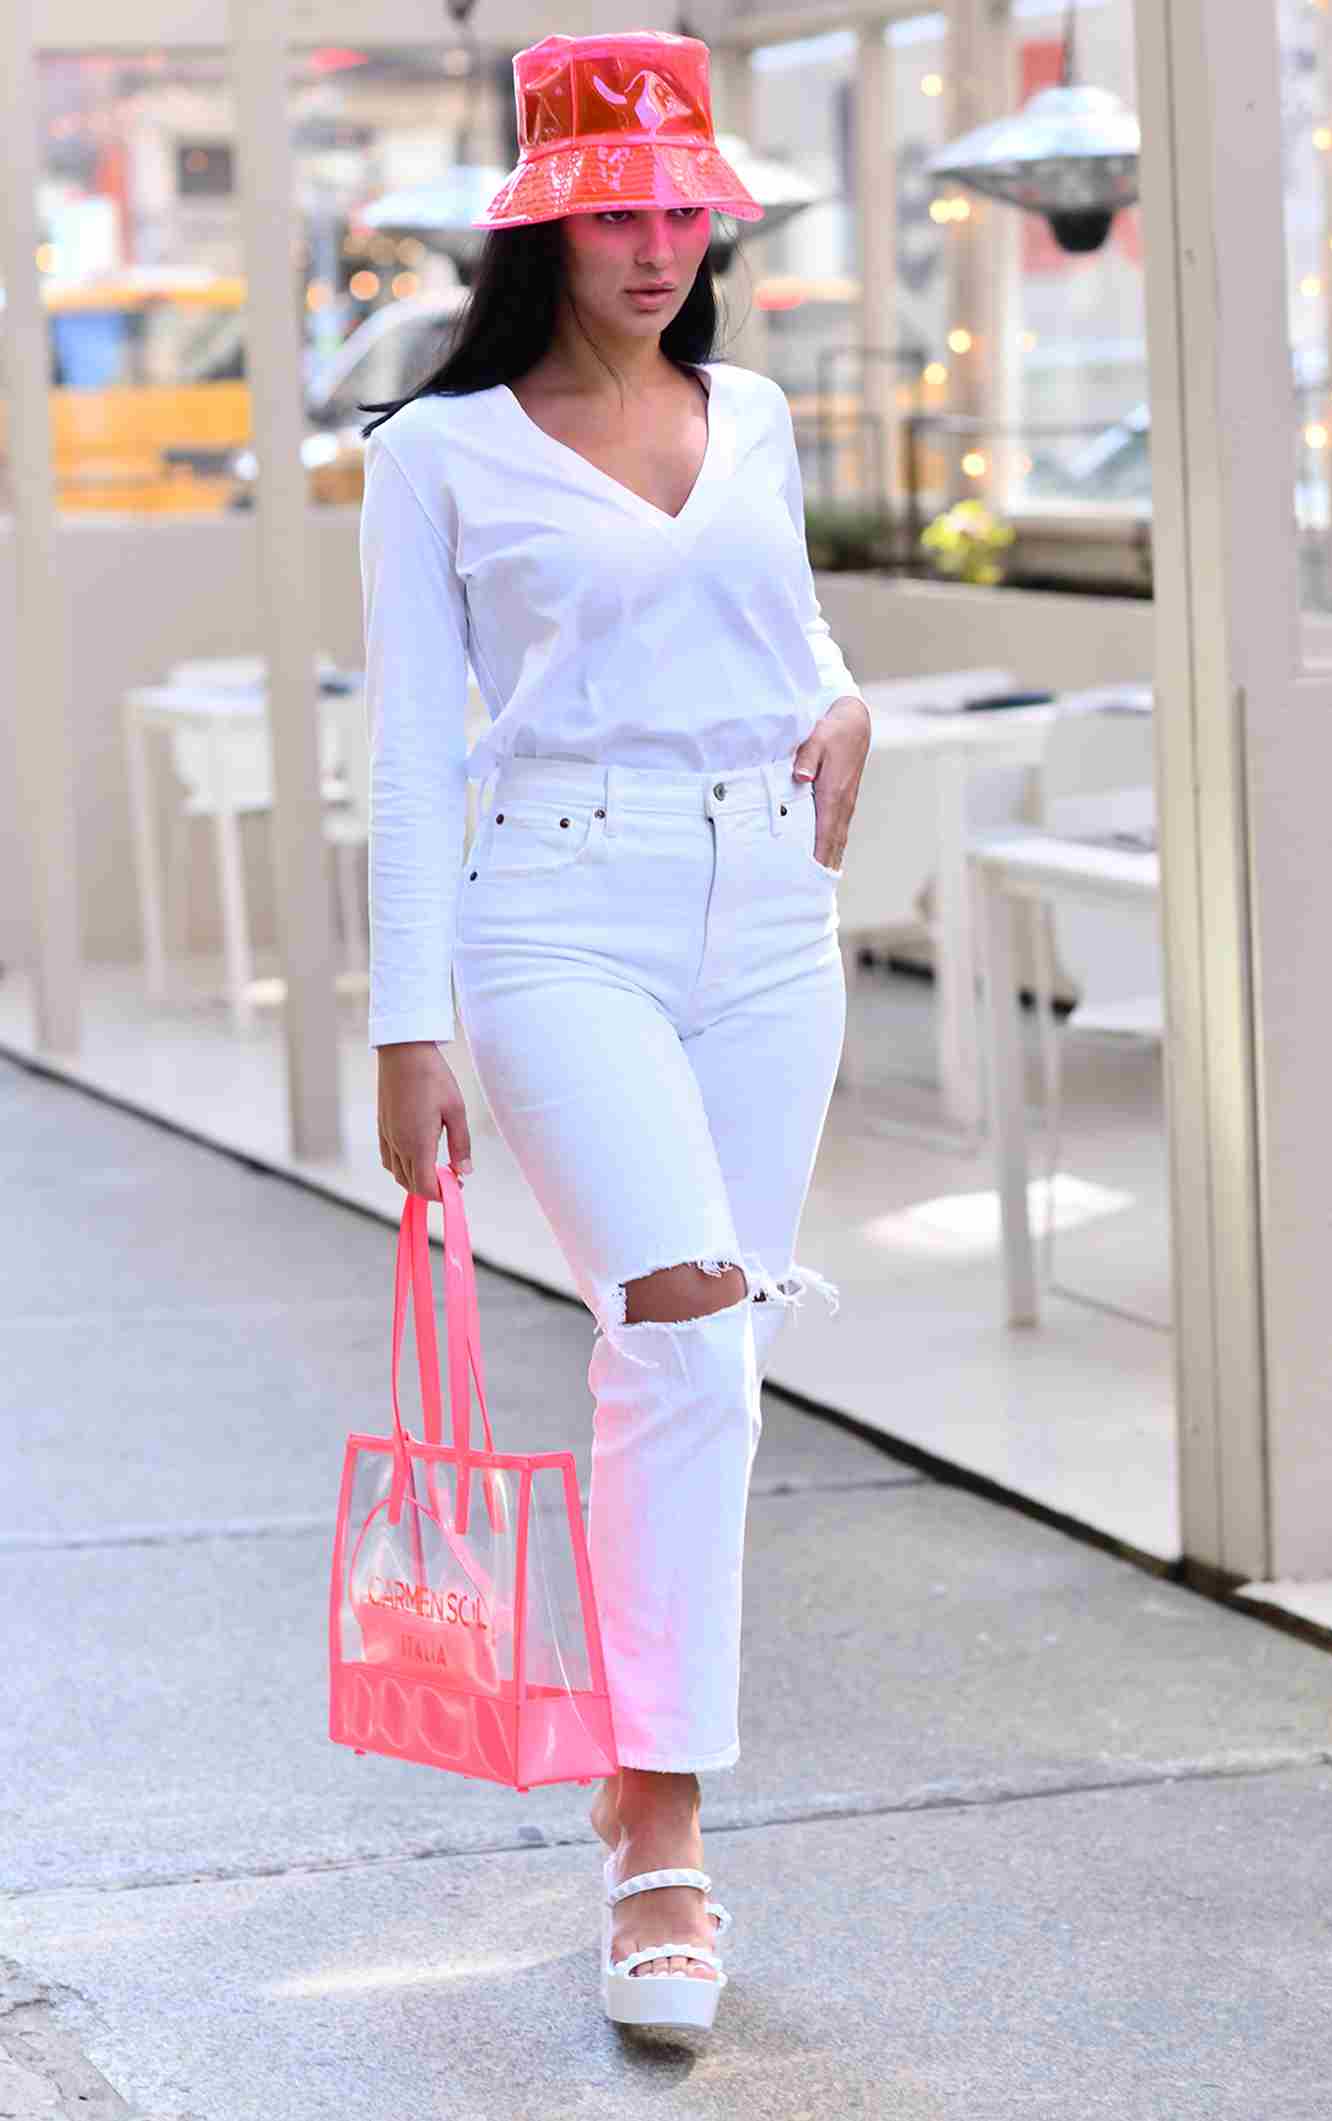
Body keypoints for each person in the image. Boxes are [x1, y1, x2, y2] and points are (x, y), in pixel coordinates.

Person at [355, 30, 870, 2031]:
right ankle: (661, 1824)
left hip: (767, 915)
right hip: (552, 913)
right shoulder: (436, 452)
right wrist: (410, 1027)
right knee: (676, 1306)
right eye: (616, 210)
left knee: (702, 1359)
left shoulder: (748, 413)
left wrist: (847, 703)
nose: (656, 244)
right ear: (543, 221)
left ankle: (633, 1773)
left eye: (683, 208)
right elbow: (408, 748)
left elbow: (788, 634)